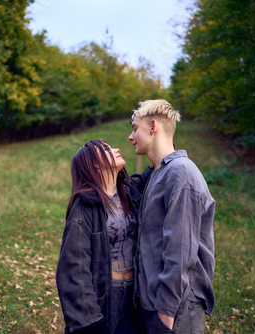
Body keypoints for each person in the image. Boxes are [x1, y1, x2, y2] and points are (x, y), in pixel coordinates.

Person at [128, 99, 216, 333]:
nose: (130, 136)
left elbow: (181, 251)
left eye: (135, 128)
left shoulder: (181, 173)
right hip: (153, 303)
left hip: (177, 309)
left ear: (153, 126)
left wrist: (165, 314)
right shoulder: (159, 172)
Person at [56, 139, 144, 334]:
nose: (117, 149)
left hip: (135, 293)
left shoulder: (131, 192)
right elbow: (73, 267)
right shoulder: (85, 206)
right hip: (106, 296)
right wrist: (90, 321)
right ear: (95, 162)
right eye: (107, 149)